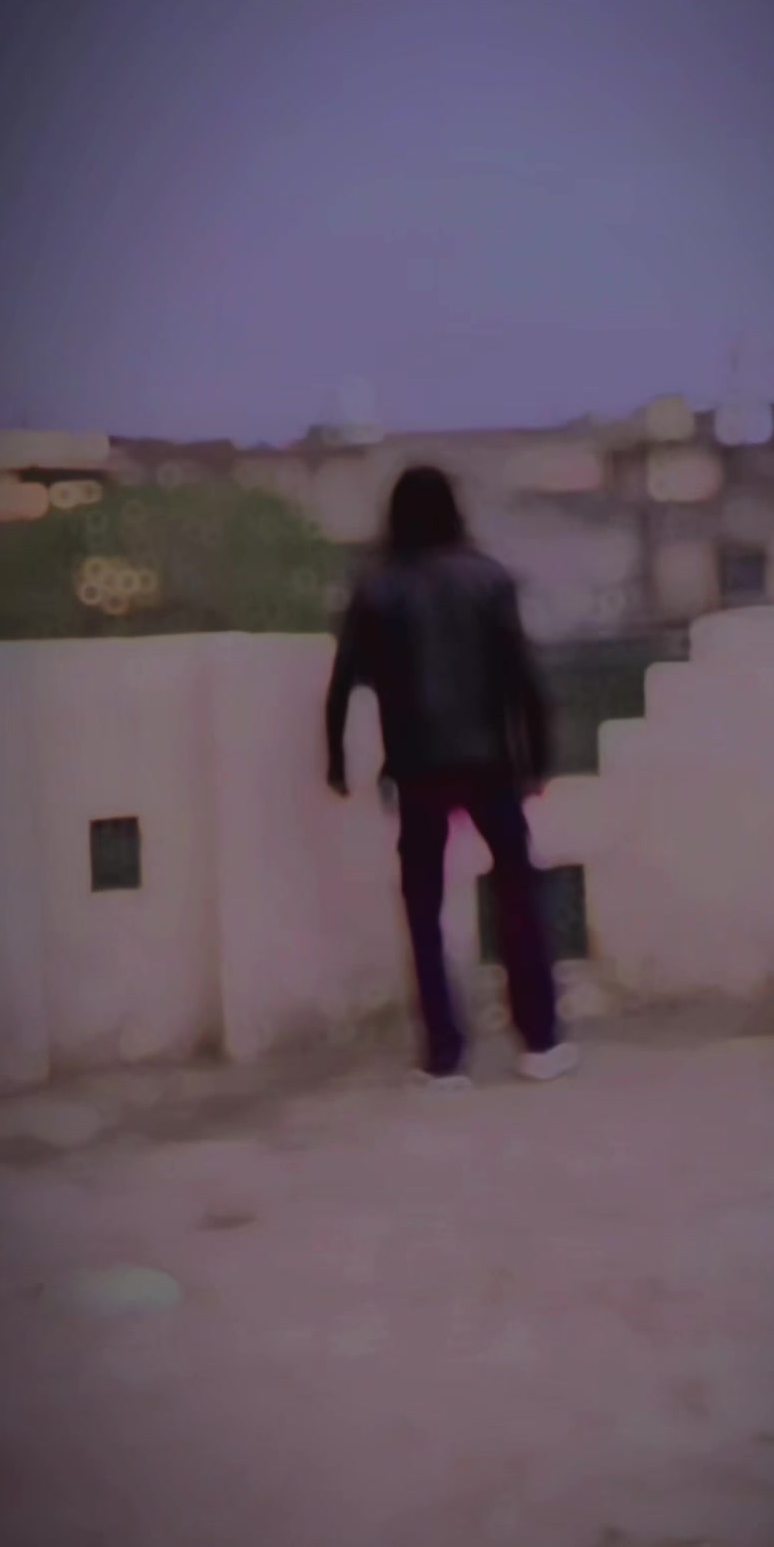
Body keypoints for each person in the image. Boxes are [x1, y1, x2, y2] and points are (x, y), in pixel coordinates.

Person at [324, 464, 577, 1088]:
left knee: (424, 908)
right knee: (518, 898)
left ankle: (444, 1056)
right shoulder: (488, 578)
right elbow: (524, 676)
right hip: (491, 764)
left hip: (416, 769)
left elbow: (343, 680)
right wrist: (538, 758)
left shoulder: (377, 587)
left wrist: (336, 760)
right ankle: (540, 1041)